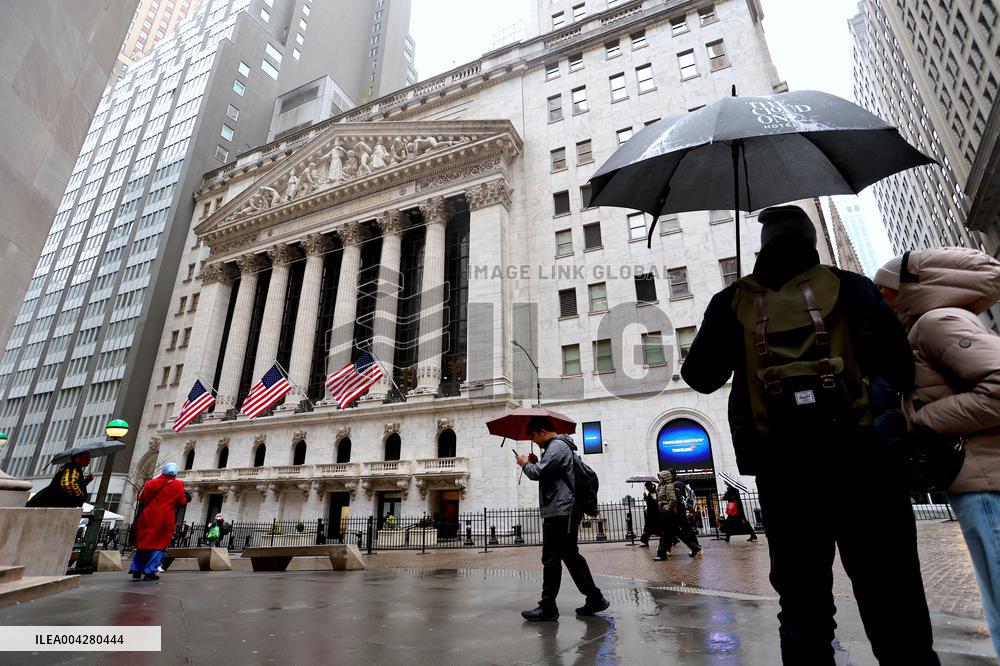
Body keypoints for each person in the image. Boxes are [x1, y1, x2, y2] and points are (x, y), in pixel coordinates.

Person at [681, 205, 938, 664]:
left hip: (785, 477)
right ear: (810, 242)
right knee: (894, 602)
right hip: (868, 467)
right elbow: (901, 368)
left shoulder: (733, 301)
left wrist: (737, 316)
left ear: (763, 248)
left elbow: (699, 376)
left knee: (803, 612)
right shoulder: (853, 288)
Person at [874, 247, 1000, 657]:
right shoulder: (927, 327)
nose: (878, 300)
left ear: (903, 290)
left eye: (882, 291)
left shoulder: (936, 322)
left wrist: (922, 419)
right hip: (978, 480)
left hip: (985, 484)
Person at [515, 416, 610, 621]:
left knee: (552, 559)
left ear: (541, 431)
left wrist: (525, 464)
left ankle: (549, 607)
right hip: (562, 509)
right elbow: (550, 473)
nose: (535, 441)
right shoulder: (557, 447)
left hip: (561, 511)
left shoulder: (557, 446)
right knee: (569, 556)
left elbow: (538, 473)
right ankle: (594, 598)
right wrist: (537, 462)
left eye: (533, 436)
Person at [129, 462, 189, 581]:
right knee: (159, 544)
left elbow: (142, 499)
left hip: (148, 516)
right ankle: (150, 571)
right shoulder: (178, 485)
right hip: (165, 518)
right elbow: (182, 502)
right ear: (175, 473)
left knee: (143, 542)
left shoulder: (151, 483)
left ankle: (136, 569)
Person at [25, 452, 93, 508]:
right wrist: (80, 497)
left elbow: (72, 485)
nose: (89, 459)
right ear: (77, 458)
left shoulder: (73, 469)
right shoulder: (72, 469)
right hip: (49, 504)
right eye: (86, 457)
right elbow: (68, 484)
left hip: (47, 503)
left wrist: (87, 480)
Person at [670, 470, 703, 556]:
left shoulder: (677, 484)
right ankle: (695, 547)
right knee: (685, 530)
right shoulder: (678, 482)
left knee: (685, 530)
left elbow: (677, 498)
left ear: (673, 475)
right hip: (681, 511)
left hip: (680, 511)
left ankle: (696, 547)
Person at [653, 470, 678, 561]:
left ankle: (662, 554)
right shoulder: (663, 487)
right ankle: (662, 552)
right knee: (666, 533)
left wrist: (667, 508)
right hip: (664, 512)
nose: (659, 480)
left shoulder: (669, 486)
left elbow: (673, 499)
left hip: (668, 513)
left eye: (660, 478)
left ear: (665, 478)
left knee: (664, 534)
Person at [638, 481, 659, 547]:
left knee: (650, 529)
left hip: (653, 514)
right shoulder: (651, 492)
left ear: (650, 486)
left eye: (647, 486)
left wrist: (646, 498)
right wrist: (646, 498)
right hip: (651, 513)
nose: (646, 488)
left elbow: (654, 502)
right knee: (648, 529)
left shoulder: (653, 492)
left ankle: (644, 541)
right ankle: (644, 541)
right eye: (646, 487)